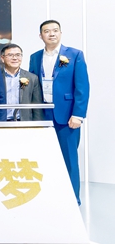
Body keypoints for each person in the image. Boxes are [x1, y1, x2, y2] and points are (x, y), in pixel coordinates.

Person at [29, 20, 89, 205]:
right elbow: (32, 86)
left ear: (60, 33)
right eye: (47, 31)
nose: (51, 34)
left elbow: (82, 87)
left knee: (69, 158)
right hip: (42, 114)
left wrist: (78, 115)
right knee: (44, 157)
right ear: (41, 36)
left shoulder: (75, 55)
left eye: (55, 30)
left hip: (67, 116)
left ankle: (72, 200)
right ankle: (50, 198)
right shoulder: (34, 57)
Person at [0, 44, 43, 122]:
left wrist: (38, 125)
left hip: (23, 122)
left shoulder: (32, 78)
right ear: (2, 58)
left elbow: (37, 107)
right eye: (10, 55)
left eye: (18, 55)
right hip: (1, 122)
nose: (15, 58)